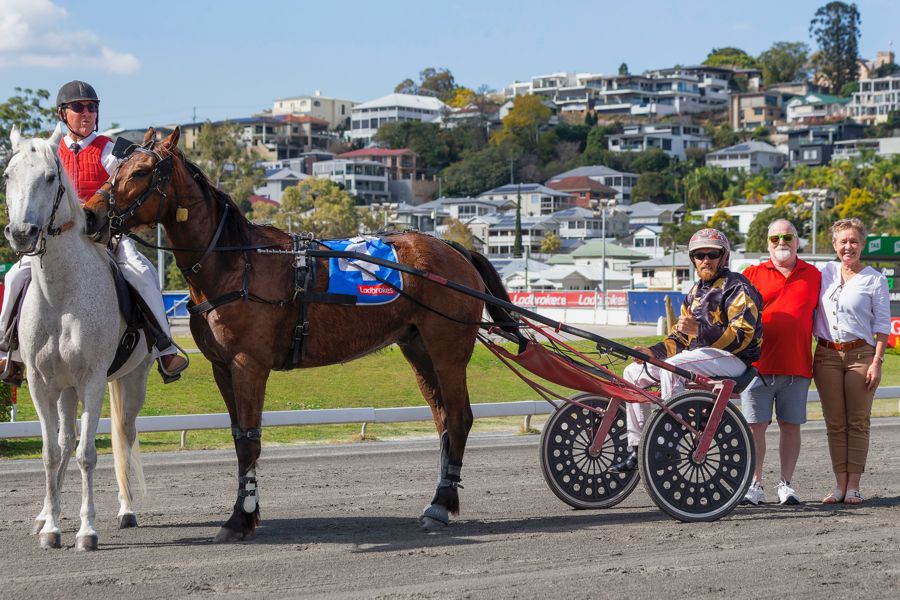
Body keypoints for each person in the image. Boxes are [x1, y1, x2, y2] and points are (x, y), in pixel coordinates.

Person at [0, 80, 188, 385]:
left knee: (142, 271)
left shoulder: (111, 149)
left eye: (92, 107)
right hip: (54, 239)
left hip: (102, 236)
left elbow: (126, 189)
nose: (86, 113)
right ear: (63, 113)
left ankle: (165, 349)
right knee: (14, 276)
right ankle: (10, 352)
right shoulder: (49, 151)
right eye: (78, 107)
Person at [609, 228, 763, 473]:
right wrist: (652, 353)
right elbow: (680, 338)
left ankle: (669, 442)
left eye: (712, 254)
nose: (705, 260)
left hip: (734, 360)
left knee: (673, 367)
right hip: (700, 358)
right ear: (693, 259)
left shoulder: (738, 287)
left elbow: (742, 336)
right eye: (699, 255)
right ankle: (638, 448)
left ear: (724, 256)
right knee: (633, 372)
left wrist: (700, 331)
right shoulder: (695, 292)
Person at [739, 220, 821, 505]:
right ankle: (755, 484)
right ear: (768, 243)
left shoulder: (814, 275)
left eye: (787, 237)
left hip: (797, 367)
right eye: (775, 238)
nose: (781, 243)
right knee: (755, 428)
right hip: (756, 369)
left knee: (790, 426)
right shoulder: (751, 274)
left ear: (797, 241)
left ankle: (786, 484)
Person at [813, 218, 890, 505]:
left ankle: (854, 485)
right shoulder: (825, 273)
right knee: (834, 423)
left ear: (863, 244)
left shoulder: (874, 279)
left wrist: (877, 362)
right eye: (843, 241)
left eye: (854, 241)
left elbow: (882, 326)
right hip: (826, 356)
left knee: (857, 421)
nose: (849, 246)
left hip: (861, 356)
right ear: (834, 244)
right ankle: (839, 485)